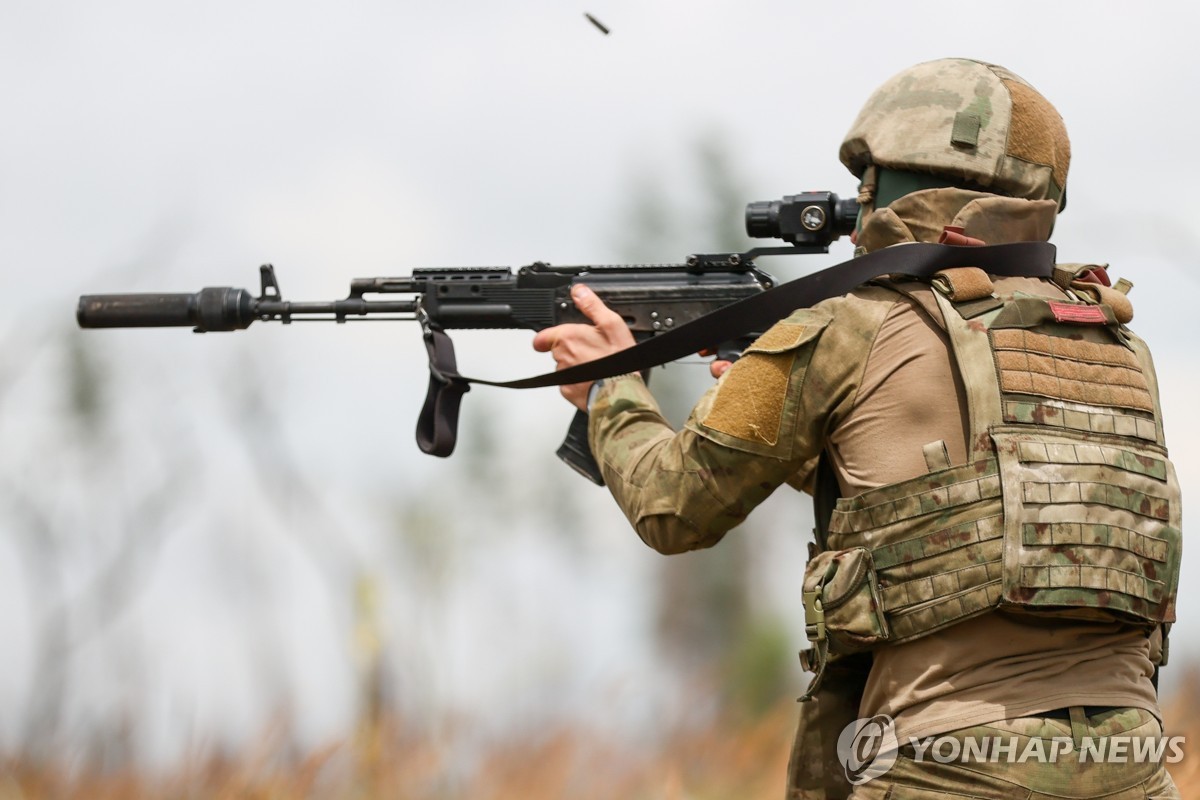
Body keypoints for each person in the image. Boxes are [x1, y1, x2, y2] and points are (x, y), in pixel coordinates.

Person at [532, 58, 1181, 799]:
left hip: (944, 769)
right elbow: (973, 502)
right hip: (1133, 769)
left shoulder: (849, 327)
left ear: (892, 186)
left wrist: (609, 387)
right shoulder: (1117, 345)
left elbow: (674, 503)